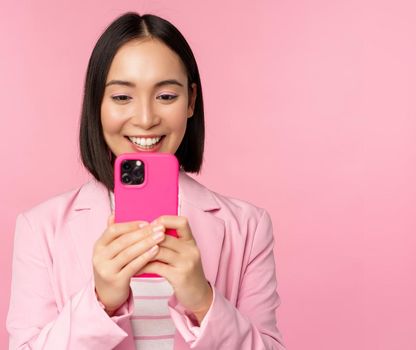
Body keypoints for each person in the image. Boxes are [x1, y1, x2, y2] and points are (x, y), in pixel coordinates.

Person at [6, 12, 286, 349]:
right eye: (122, 97)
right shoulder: (40, 228)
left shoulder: (249, 227)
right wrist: (100, 302)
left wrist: (203, 300)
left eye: (166, 96)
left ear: (191, 101)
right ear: (97, 104)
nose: (145, 119)